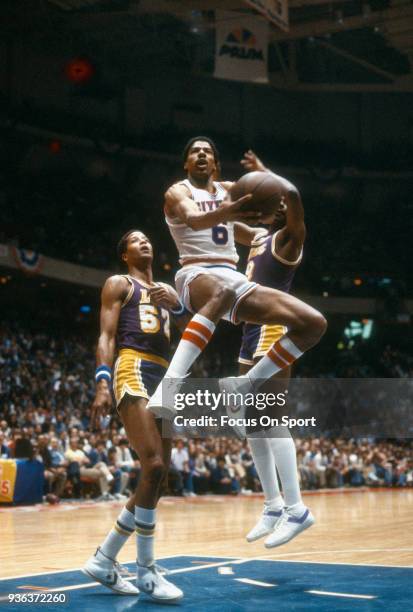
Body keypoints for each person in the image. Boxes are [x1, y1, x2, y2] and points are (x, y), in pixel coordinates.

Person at [147, 136, 327, 424]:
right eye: (195, 151)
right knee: (224, 290)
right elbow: (194, 219)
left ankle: (246, 383)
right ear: (186, 163)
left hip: (234, 278)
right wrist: (227, 212)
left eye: (207, 151)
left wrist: (265, 185)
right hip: (195, 273)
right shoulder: (177, 191)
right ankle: (169, 387)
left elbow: (265, 213)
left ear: (216, 165)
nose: (202, 154)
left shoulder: (230, 190)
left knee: (314, 323)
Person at [83, 230, 187, 602]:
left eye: (147, 239)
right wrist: (101, 381)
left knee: (158, 480)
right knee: (154, 466)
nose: (144, 243)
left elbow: (188, 329)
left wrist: (178, 306)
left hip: (167, 375)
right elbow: (106, 335)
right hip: (135, 366)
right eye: (135, 240)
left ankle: (104, 559)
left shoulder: (167, 290)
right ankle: (146, 571)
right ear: (124, 253)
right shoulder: (119, 283)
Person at [238, 150, 314, 548]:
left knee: (271, 418)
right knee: (252, 425)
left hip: (273, 330)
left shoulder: (289, 240)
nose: (281, 204)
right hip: (249, 331)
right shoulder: (258, 236)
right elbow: (226, 223)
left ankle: (297, 508)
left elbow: (296, 197)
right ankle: (271, 504)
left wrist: (270, 175)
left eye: (280, 201)